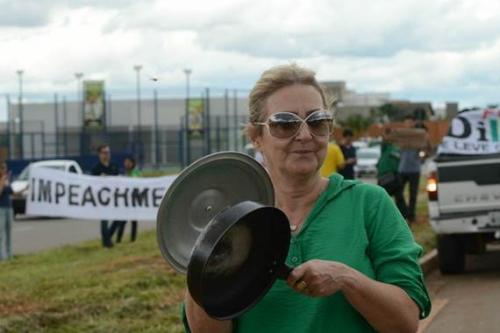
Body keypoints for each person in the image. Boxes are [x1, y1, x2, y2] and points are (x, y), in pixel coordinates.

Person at [184, 64, 431, 333]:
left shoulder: (368, 204)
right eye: (284, 124)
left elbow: (406, 322)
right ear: (257, 137)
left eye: (317, 122)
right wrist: (207, 259)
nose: (304, 135)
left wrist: (346, 278)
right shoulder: (234, 221)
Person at [91, 144, 125, 248]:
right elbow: (91, 184)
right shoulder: (96, 168)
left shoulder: (113, 166)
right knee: (104, 220)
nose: (106, 155)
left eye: (108, 152)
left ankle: (108, 236)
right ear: (99, 154)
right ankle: (106, 243)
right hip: (102, 199)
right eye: (104, 153)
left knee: (119, 218)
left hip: (114, 197)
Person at [398, 115, 424, 223]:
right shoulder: (401, 135)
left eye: (410, 122)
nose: (408, 124)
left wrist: (423, 155)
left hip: (414, 169)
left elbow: (425, 148)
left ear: (413, 123)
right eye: (406, 122)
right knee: (398, 192)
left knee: (413, 194)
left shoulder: (419, 135)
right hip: (402, 169)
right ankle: (402, 214)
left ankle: (411, 216)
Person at [377, 128, 407, 218]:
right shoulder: (385, 147)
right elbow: (384, 140)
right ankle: (382, 217)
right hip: (385, 176)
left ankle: (404, 217)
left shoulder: (397, 148)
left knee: (399, 198)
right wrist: (385, 135)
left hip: (395, 176)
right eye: (389, 134)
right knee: (382, 198)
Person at [120, 156, 141, 242]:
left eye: (129, 162)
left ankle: (133, 239)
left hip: (133, 200)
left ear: (132, 163)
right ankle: (119, 239)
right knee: (122, 221)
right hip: (125, 200)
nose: (127, 164)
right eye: (125, 162)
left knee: (133, 221)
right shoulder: (124, 172)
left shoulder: (135, 172)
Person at [0, 162, 13, 260]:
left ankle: (9, 254)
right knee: (1, 233)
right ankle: (1, 256)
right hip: (1, 209)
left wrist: (25, 189)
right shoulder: (2, 180)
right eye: (3, 168)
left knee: (9, 232)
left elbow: (12, 192)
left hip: (9, 208)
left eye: (5, 168)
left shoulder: (7, 180)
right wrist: (2, 181)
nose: (5, 170)